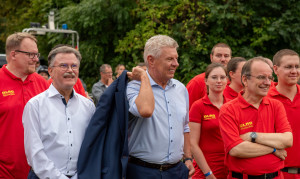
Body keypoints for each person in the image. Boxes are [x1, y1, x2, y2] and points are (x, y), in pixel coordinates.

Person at [126, 35, 194, 179]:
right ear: (151, 60)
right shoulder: (133, 87)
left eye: (176, 58)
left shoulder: (180, 88)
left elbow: (185, 126)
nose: (176, 64)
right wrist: (144, 77)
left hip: (177, 171)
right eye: (169, 59)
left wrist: (188, 158)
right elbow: (145, 111)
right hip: (143, 172)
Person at [23, 46, 95, 178]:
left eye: (74, 66)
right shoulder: (35, 106)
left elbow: (92, 146)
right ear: (50, 71)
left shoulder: (88, 107)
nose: (70, 70)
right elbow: (34, 152)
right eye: (63, 66)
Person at [219, 57, 293, 179]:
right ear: (245, 80)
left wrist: (253, 136)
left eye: (269, 78)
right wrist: (274, 149)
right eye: (261, 77)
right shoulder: (229, 109)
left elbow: (287, 140)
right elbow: (236, 149)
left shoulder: (275, 105)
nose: (268, 82)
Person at [0, 32, 49, 178]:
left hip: (38, 171)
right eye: (31, 55)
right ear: (13, 54)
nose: (36, 59)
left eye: (36, 55)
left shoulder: (42, 83)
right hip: (5, 172)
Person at [189, 63, 228, 179]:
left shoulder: (232, 105)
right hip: (205, 171)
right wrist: (208, 174)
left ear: (227, 80)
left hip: (230, 170)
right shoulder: (198, 106)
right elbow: (193, 144)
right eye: (214, 77)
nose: (219, 81)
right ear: (206, 81)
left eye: (222, 77)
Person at [268, 49, 300, 179]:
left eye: (297, 67)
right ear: (275, 69)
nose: (294, 71)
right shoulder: (265, 99)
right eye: (288, 67)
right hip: (276, 174)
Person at [186, 43, 232, 108]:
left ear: (231, 58)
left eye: (226, 56)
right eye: (218, 56)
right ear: (211, 57)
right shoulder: (197, 82)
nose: (223, 59)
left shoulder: (235, 82)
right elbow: (186, 110)